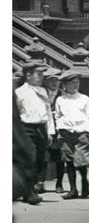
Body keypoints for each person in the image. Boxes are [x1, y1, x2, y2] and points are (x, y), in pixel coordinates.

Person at [55, 70, 89, 199]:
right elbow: (58, 116)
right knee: (69, 161)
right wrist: (59, 129)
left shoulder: (84, 99)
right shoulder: (60, 100)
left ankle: (84, 181)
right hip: (66, 134)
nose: (75, 85)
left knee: (80, 160)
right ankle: (73, 189)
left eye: (77, 83)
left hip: (80, 133)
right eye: (72, 83)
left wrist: (88, 131)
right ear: (65, 85)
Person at [14, 62, 52, 204]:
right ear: (28, 75)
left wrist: (50, 131)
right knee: (31, 158)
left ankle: (31, 188)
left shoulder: (43, 91)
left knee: (40, 160)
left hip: (41, 128)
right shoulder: (19, 92)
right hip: (26, 128)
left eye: (42, 75)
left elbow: (47, 111)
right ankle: (29, 192)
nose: (41, 77)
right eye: (38, 74)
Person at [41, 68, 66, 194]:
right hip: (43, 125)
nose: (54, 83)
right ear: (46, 82)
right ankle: (40, 182)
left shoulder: (62, 95)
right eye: (51, 80)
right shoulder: (41, 93)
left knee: (59, 157)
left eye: (56, 80)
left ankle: (59, 183)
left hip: (57, 127)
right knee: (43, 156)